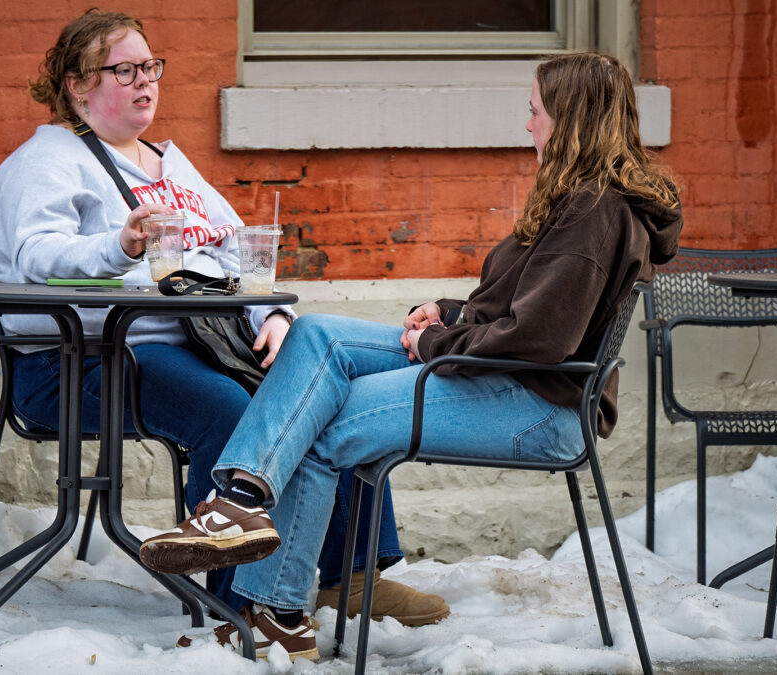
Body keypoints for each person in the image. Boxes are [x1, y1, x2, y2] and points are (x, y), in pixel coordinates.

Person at [140, 51, 684, 661]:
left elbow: (540, 339)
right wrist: (449, 313)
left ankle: (279, 615)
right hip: (508, 377)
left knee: (324, 428)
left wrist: (436, 344)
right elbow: (523, 306)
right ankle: (239, 502)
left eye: (536, 112)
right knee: (315, 335)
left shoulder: (594, 211)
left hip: (537, 403)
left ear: (572, 119)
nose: (528, 124)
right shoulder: (578, 199)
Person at [0, 8, 447, 631]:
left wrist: (269, 317)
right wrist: (123, 246)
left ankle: (349, 578)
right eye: (125, 69)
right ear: (78, 84)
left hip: (199, 344)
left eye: (150, 66)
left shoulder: (171, 164)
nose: (145, 80)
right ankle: (239, 601)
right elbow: (37, 257)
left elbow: (233, 251)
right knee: (235, 413)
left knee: (325, 392)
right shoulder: (50, 159)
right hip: (83, 360)